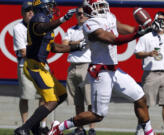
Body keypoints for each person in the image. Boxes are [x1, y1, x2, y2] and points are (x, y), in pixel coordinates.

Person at [48, 0, 156, 135]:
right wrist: (138, 34)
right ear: (88, 9)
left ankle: (149, 132)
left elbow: (121, 28)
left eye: (102, 5)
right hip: (100, 71)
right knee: (97, 115)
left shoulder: (109, 16)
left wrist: (144, 28)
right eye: (97, 6)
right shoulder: (89, 24)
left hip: (113, 70)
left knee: (140, 97)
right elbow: (113, 40)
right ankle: (58, 127)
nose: (102, 9)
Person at [14, 0, 85, 134]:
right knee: (51, 101)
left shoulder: (45, 21)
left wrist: (77, 46)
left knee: (62, 94)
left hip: (41, 65)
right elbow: (42, 28)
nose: (52, 9)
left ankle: (33, 125)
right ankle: (23, 128)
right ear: (41, 7)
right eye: (49, 6)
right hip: (34, 66)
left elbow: (54, 47)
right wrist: (63, 19)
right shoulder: (38, 20)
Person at [134, 11, 164, 135]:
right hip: (151, 73)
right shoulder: (146, 37)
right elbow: (137, 53)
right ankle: (141, 127)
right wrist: (149, 53)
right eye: (159, 19)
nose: (162, 22)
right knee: (145, 104)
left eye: (163, 20)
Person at [13, 1, 49, 134]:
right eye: (27, 10)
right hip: (26, 66)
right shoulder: (19, 28)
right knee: (25, 97)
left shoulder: (41, 25)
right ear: (22, 13)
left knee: (45, 96)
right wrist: (39, 50)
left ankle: (42, 125)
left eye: (32, 10)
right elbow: (23, 52)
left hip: (41, 65)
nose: (30, 12)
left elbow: (49, 46)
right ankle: (25, 126)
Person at [62, 7, 96, 135]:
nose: (81, 16)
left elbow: (86, 42)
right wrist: (76, 43)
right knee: (77, 102)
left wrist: (71, 44)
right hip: (73, 66)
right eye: (79, 14)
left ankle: (92, 128)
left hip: (86, 65)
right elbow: (64, 44)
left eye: (83, 14)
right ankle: (80, 129)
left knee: (90, 101)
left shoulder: (90, 28)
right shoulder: (71, 29)